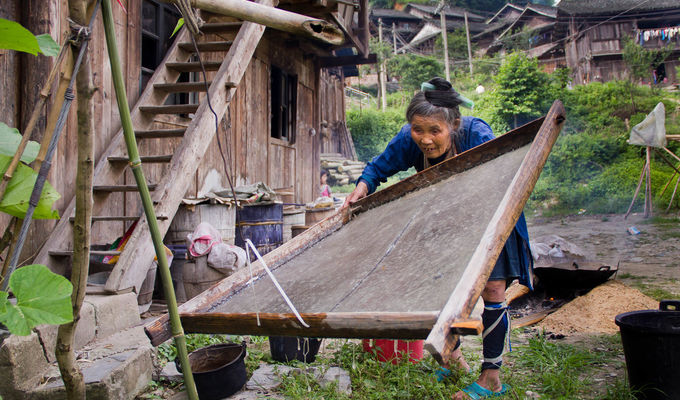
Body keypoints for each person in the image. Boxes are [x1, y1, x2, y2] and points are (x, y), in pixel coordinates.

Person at [342, 77, 532, 400]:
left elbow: (508, 176)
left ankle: (492, 379)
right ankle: (455, 361)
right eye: (418, 129)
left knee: (493, 289)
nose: (425, 139)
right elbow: (377, 168)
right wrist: (361, 189)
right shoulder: (408, 140)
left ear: (453, 124)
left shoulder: (476, 134)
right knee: (439, 287)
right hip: (446, 223)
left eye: (435, 131)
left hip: (492, 217)